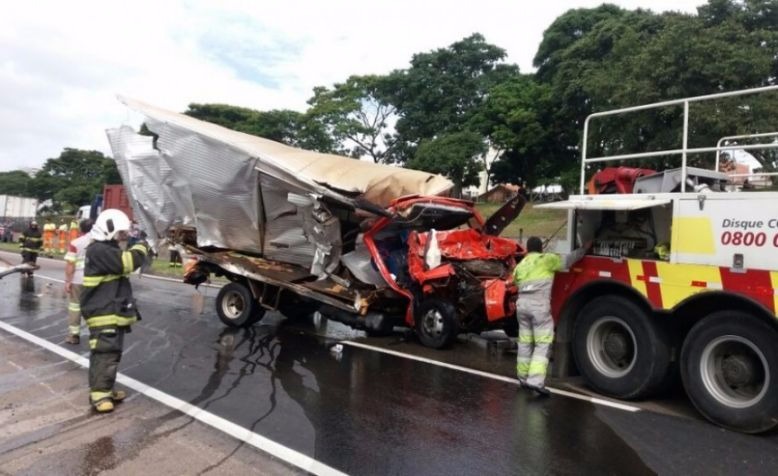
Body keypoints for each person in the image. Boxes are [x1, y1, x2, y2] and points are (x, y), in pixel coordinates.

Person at [80, 209, 148, 413]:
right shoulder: (99, 250)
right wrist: (144, 245)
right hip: (102, 311)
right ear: (108, 228)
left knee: (112, 352)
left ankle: (106, 388)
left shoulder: (107, 248)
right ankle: (100, 395)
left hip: (109, 309)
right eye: (120, 232)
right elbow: (127, 262)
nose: (123, 236)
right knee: (105, 352)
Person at [512, 236, 588, 396]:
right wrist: (583, 249)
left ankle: (523, 378)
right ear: (541, 248)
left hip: (522, 306)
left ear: (527, 249)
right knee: (542, 343)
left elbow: (516, 282)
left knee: (525, 342)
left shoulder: (521, 265)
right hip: (538, 306)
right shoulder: (547, 260)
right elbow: (567, 261)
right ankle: (535, 381)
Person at [63, 219, 93, 345]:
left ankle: (74, 336)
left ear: (81, 229)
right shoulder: (100, 242)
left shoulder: (75, 243)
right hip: (96, 280)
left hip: (78, 279)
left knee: (75, 307)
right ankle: (97, 336)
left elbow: (70, 264)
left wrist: (68, 281)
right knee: (95, 306)